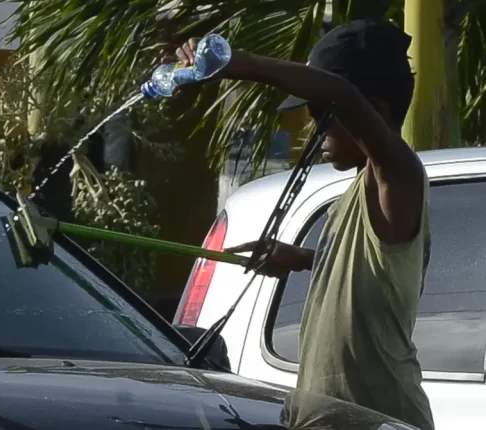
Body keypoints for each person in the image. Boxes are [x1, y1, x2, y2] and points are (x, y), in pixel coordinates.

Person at [169, 19, 435, 430]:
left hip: (382, 420)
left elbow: (342, 94)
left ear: (375, 112)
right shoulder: (357, 196)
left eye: (321, 115)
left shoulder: (398, 177)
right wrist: (305, 259)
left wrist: (241, 64)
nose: (314, 130)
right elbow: (374, 273)